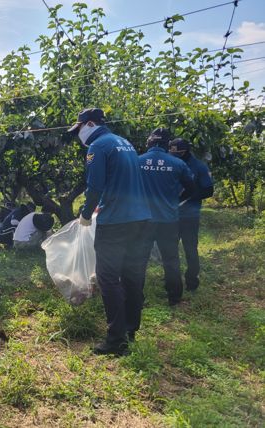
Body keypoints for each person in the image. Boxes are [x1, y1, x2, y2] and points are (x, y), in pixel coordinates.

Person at [71, 107, 152, 356]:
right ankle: (130, 330)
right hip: (141, 219)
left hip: (116, 222)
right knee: (132, 276)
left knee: (108, 278)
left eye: (80, 128)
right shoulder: (124, 142)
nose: (79, 135)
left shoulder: (99, 147)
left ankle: (116, 340)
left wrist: (85, 214)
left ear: (91, 124)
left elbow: (94, 186)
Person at [139, 128, 194, 306]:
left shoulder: (137, 162)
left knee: (138, 260)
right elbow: (192, 189)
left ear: (149, 142)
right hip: (168, 219)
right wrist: (175, 200)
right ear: (167, 145)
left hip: (142, 220)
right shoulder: (178, 163)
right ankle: (174, 298)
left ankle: (136, 297)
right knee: (171, 259)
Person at [169, 138, 214, 292]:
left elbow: (209, 190)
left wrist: (189, 196)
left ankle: (192, 280)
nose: (176, 156)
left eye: (179, 153)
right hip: (171, 215)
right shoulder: (170, 163)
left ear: (186, 151)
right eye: (172, 153)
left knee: (190, 248)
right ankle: (172, 279)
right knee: (170, 249)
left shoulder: (199, 167)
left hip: (190, 215)